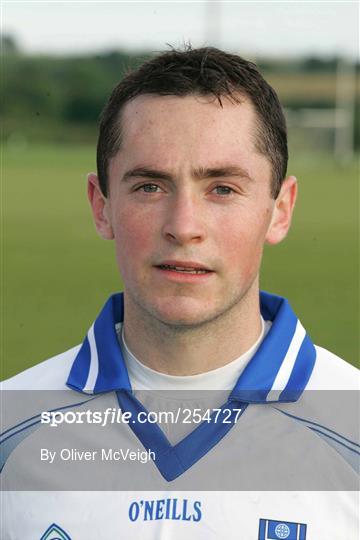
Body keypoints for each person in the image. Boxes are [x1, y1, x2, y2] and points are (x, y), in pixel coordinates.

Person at [1, 47, 359, 540]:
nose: (184, 226)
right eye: (150, 186)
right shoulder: (11, 429)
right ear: (101, 207)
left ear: (280, 209)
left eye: (223, 189)